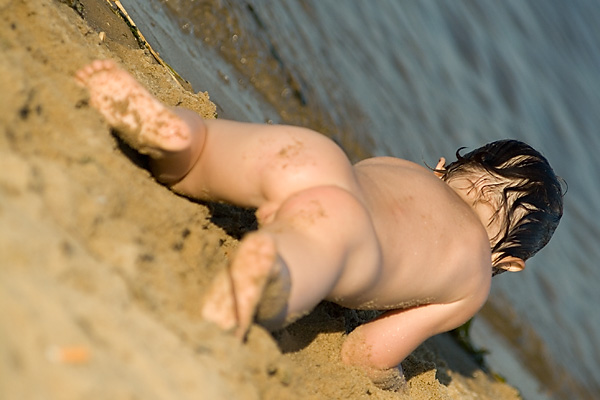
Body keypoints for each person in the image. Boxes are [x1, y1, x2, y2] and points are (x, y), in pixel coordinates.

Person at [75, 59, 564, 390]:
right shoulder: (474, 279)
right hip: (347, 233)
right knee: (308, 251)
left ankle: (179, 135)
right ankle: (273, 269)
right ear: (510, 261)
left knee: (206, 159)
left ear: (442, 169)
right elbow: (366, 354)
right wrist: (391, 380)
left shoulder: (408, 169)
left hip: (321, 161)